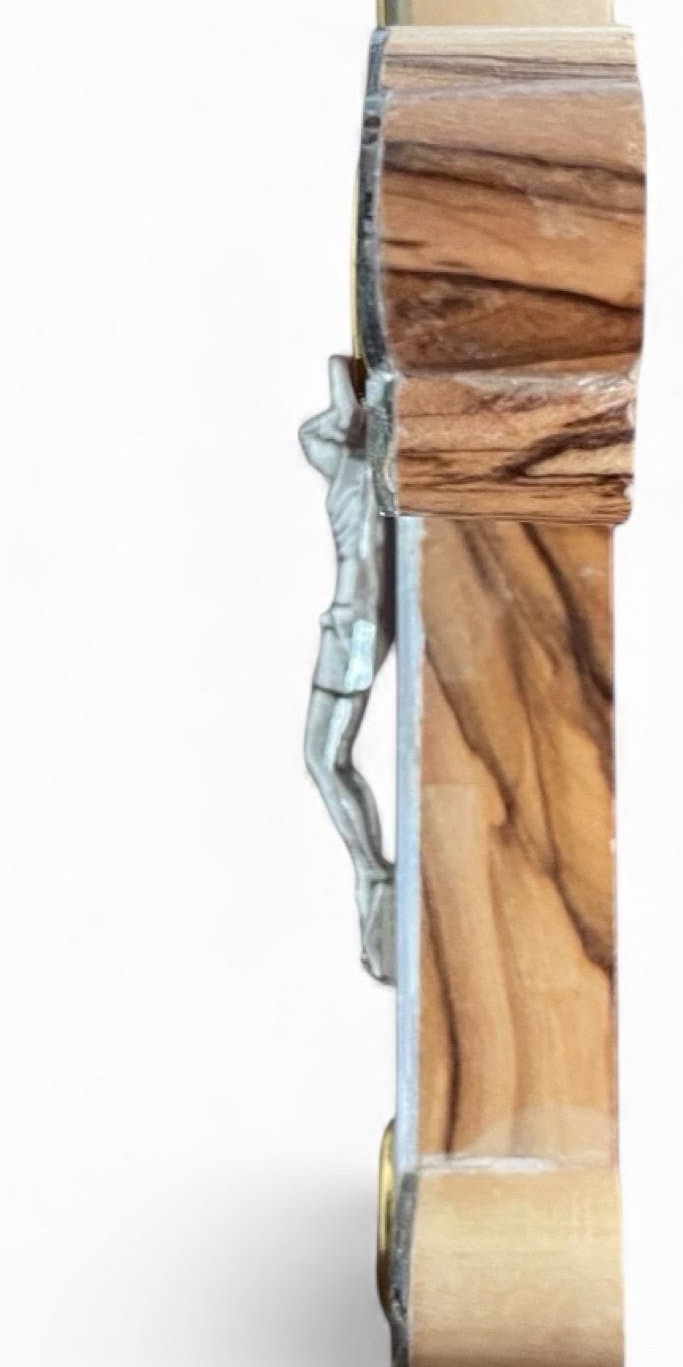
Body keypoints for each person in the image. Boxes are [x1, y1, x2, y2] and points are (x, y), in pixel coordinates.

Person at [299, 357, 395, 981]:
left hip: (354, 623)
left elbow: (368, 564)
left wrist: (353, 407)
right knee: (323, 756)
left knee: (322, 756)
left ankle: (370, 869)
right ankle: (371, 870)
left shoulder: (361, 474)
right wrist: (351, 408)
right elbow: (314, 432)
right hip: (348, 621)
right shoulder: (353, 471)